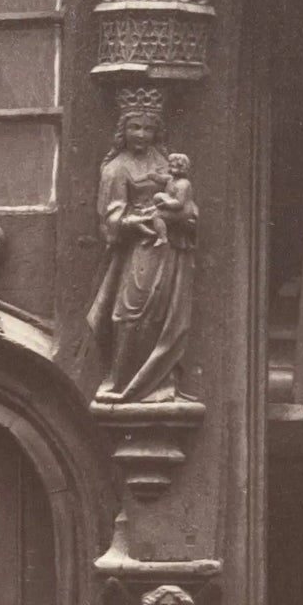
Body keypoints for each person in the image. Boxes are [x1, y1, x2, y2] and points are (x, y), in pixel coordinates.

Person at [87, 88, 197, 403]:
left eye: (148, 128)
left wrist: (185, 213)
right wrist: (135, 222)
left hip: (168, 247)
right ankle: (121, 382)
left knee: (163, 315)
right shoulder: (116, 168)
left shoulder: (164, 160)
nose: (142, 134)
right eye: (135, 127)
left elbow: (184, 198)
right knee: (128, 313)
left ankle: (158, 382)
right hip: (139, 248)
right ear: (124, 129)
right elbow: (110, 219)